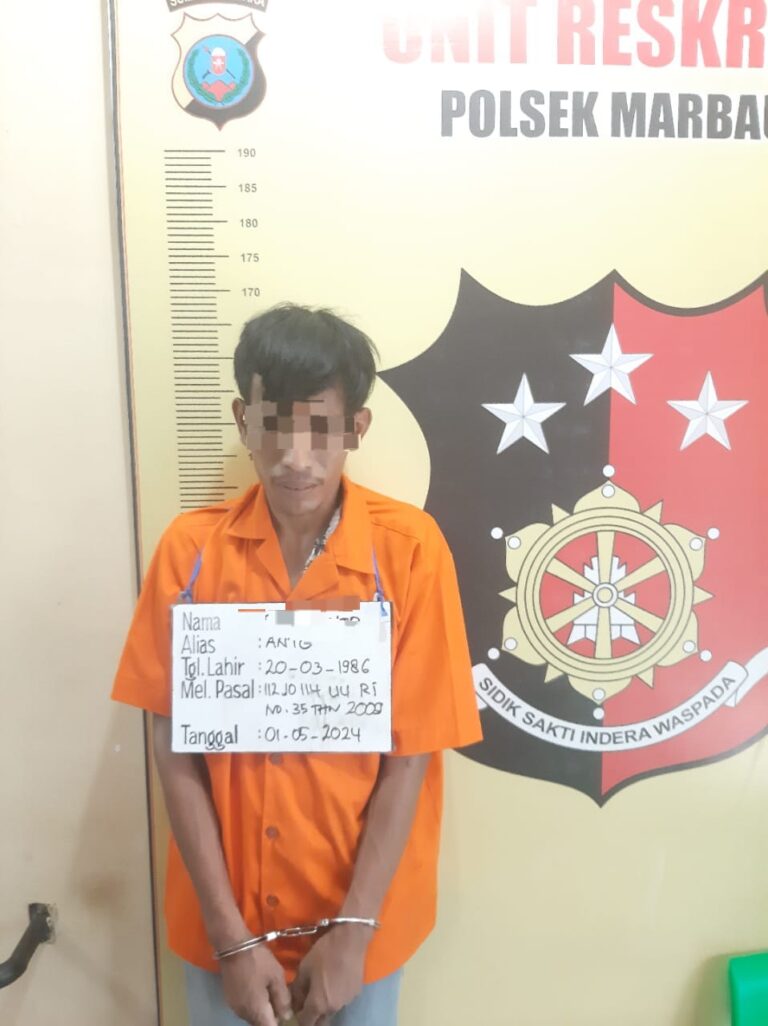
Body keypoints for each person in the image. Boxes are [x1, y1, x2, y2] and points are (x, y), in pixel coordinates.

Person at [112, 303, 482, 1026]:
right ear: (243, 420)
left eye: (321, 428)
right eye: (275, 424)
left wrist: (355, 933)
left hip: (363, 929)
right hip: (223, 931)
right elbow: (172, 743)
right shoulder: (190, 554)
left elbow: (411, 753)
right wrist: (230, 938)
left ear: (356, 429)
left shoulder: (410, 552)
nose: (296, 456)